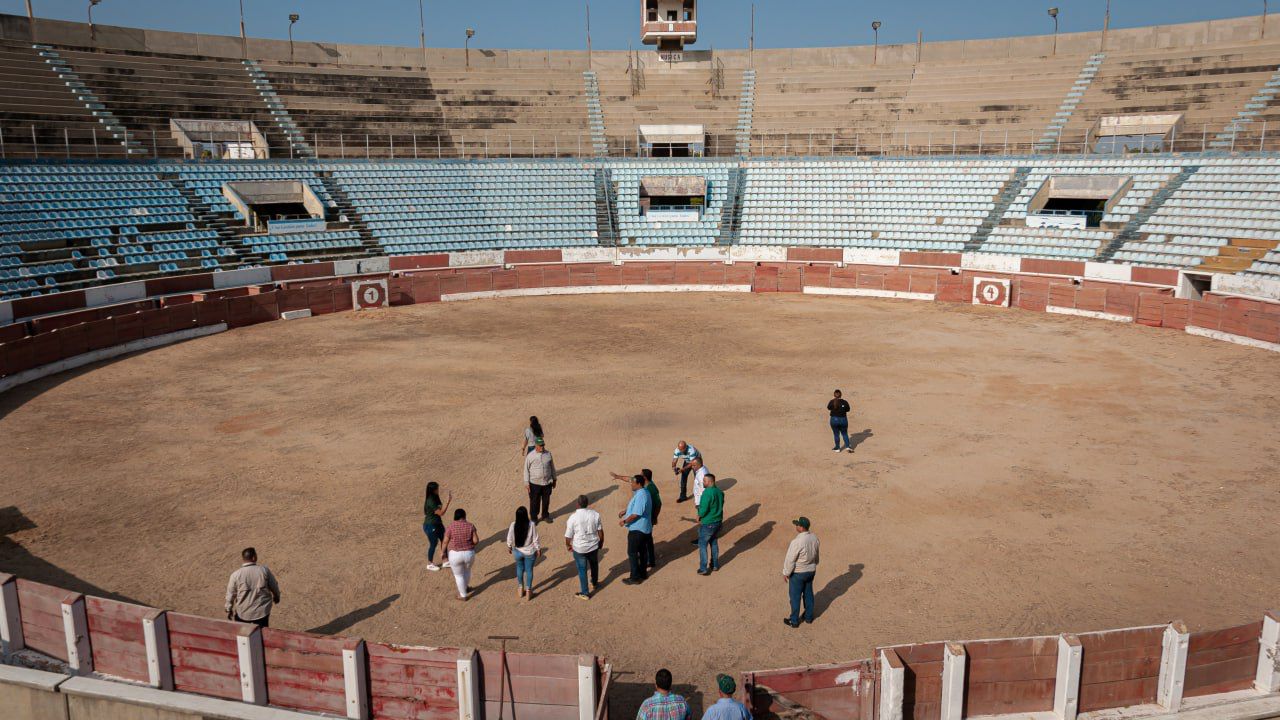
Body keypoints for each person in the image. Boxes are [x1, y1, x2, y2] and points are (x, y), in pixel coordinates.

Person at [611, 469, 661, 569]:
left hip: (645, 520)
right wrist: (618, 476)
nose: (632, 482)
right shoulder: (643, 486)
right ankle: (648, 561)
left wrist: (654, 517)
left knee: (646, 542)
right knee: (646, 541)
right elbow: (630, 479)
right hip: (644, 518)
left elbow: (658, 504)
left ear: (644, 478)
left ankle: (650, 561)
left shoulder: (651, 489)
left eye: (641, 475)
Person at [224, 547, 280, 628]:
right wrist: (277, 596)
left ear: (243, 558)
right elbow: (274, 585)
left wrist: (228, 608)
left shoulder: (235, 575)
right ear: (254, 557)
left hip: (243, 613)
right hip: (262, 612)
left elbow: (230, 594)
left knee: (243, 635)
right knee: (262, 632)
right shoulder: (264, 570)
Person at [782, 517, 821, 627]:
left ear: (801, 527)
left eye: (797, 525)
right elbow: (816, 555)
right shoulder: (814, 538)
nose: (796, 526)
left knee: (795, 597)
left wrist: (786, 573)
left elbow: (790, 559)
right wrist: (814, 564)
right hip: (811, 571)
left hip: (798, 573)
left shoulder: (797, 541)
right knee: (808, 594)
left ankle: (794, 620)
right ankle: (808, 617)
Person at [565, 494, 604, 600]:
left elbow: (568, 536)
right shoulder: (595, 514)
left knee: (582, 569)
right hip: (593, 546)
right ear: (587, 504)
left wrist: (568, 545)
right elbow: (600, 531)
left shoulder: (572, 517)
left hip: (579, 548)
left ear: (577, 504)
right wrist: (601, 543)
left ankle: (585, 592)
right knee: (594, 565)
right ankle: (595, 583)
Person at [618, 474, 653, 585]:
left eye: (633, 483)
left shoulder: (641, 495)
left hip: (638, 529)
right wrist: (625, 510)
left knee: (632, 553)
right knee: (642, 552)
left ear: (638, 484)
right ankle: (643, 573)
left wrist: (624, 521)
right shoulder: (644, 492)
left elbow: (636, 514)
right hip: (644, 528)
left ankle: (635, 577)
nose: (631, 485)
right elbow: (636, 507)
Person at [506, 506, 542, 601]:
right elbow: (535, 539)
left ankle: (520, 588)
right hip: (529, 552)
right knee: (529, 570)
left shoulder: (513, 524)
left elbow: (509, 537)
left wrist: (509, 546)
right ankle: (528, 591)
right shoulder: (531, 524)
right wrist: (538, 549)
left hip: (517, 551)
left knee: (519, 568)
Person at [443, 508, 480, 601]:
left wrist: (442, 552)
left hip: (455, 555)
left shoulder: (450, 527)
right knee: (467, 571)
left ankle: (463, 595)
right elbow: (476, 540)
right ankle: (466, 587)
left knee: (458, 575)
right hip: (469, 554)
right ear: (464, 516)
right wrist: (470, 544)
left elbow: (445, 542)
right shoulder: (471, 526)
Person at [524, 439, 558, 523]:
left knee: (546, 501)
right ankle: (534, 518)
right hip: (534, 484)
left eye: (543, 445)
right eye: (540, 445)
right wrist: (526, 483)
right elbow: (526, 470)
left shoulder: (548, 454)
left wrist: (554, 479)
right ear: (536, 445)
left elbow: (552, 467)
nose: (542, 447)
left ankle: (545, 515)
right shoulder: (530, 456)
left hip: (547, 483)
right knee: (534, 501)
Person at [696, 474, 724, 576]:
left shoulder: (707, 493)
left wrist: (699, 516)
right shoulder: (720, 492)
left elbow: (704, 508)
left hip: (708, 523)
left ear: (710, 482)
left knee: (702, 544)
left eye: (705, 481)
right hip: (718, 522)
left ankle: (703, 568)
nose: (703, 483)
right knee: (714, 542)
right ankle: (715, 564)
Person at [423, 482, 453, 572]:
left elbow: (439, 508)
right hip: (430, 525)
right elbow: (441, 513)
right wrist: (448, 502)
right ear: (433, 490)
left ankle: (445, 560)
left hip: (438, 523)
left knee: (444, 540)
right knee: (433, 544)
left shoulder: (436, 497)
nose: (438, 490)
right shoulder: (430, 500)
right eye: (437, 488)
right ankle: (429, 564)